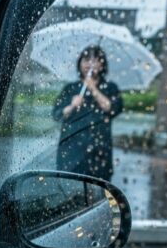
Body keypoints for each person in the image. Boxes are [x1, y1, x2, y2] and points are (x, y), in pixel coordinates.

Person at [51, 45, 124, 181]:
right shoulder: (70, 88)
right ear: (79, 63)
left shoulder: (110, 87)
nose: (89, 64)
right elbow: (57, 114)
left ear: (102, 66)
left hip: (99, 151)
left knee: (99, 192)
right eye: (85, 59)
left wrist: (93, 89)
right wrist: (72, 106)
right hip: (71, 150)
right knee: (71, 192)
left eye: (94, 60)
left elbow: (113, 109)